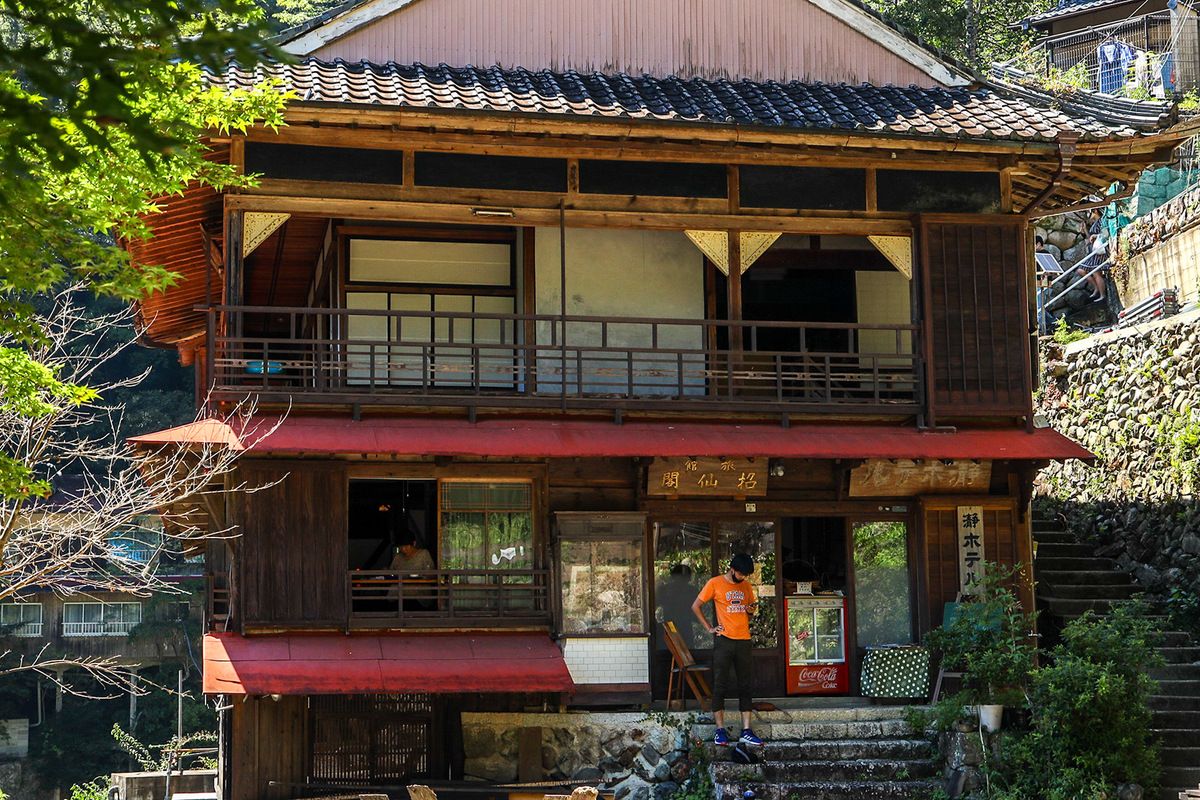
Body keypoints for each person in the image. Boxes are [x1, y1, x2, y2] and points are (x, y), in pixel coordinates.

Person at [692, 553, 763, 747]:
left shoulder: (746, 586)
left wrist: (750, 610)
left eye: (746, 574)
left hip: (744, 639)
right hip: (724, 640)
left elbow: (750, 609)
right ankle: (720, 729)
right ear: (732, 569)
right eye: (741, 573)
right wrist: (709, 628)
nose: (743, 577)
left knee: (745, 685)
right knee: (720, 684)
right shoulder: (715, 583)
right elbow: (696, 605)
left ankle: (746, 730)